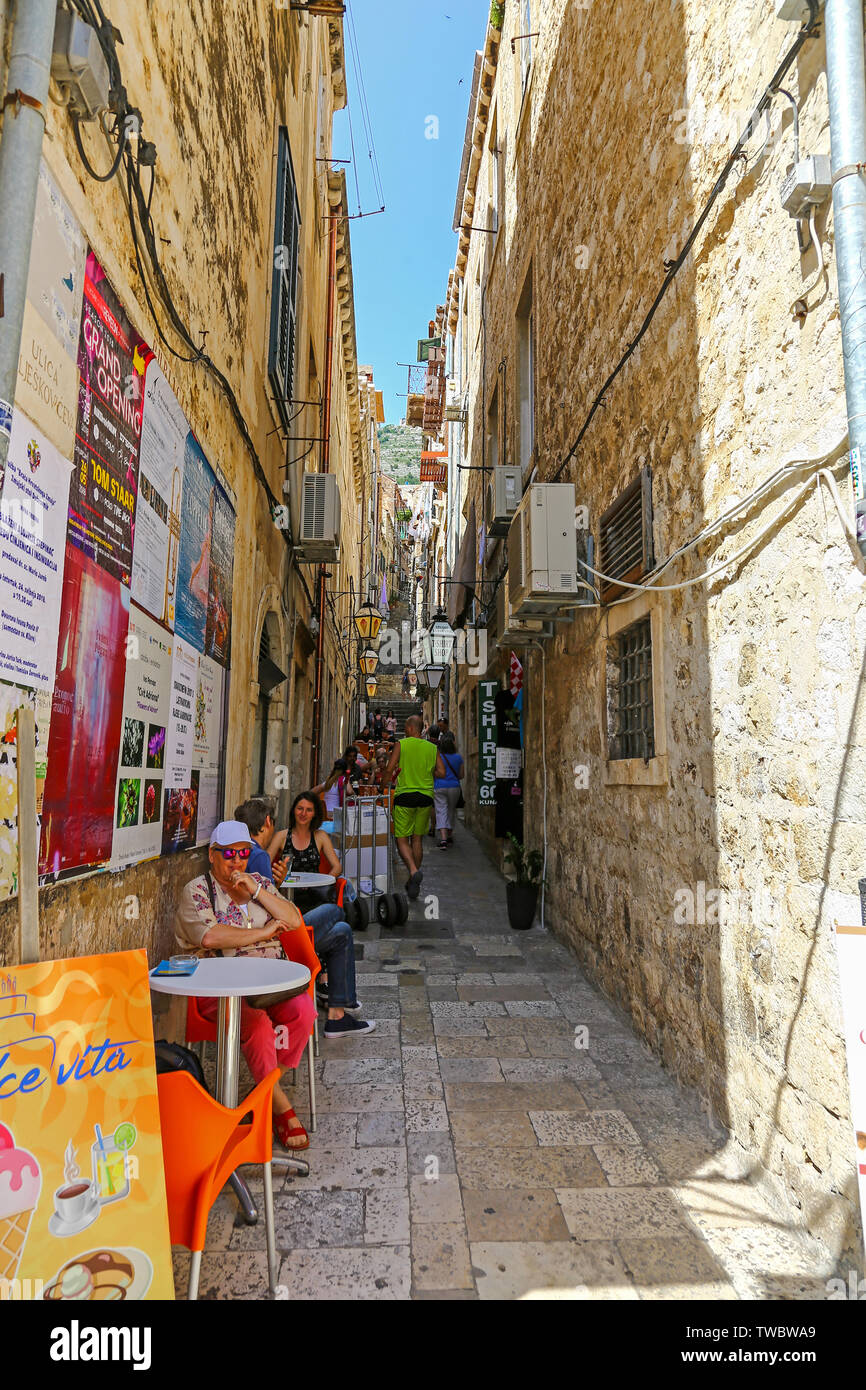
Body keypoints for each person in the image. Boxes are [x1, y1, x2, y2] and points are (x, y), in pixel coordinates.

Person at [174, 821, 317, 1151]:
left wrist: (256, 892)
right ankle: (279, 1107)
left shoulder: (261, 883)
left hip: (269, 985)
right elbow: (210, 936)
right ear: (212, 855)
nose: (236, 861)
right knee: (257, 1026)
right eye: (228, 854)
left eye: (243, 853)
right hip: (219, 990)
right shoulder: (198, 890)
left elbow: (294, 920)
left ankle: (260, 1094)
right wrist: (263, 933)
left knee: (303, 1012)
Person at [281, 791, 375, 1039]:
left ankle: (338, 1014)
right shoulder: (282, 838)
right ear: (293, 811)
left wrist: (328, 878)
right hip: (290, 912)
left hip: (314, 905)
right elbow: (265, 870)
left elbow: (337, 865)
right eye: (299, 809)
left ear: (315, 813)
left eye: (308, 810)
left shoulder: (319, 837)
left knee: (342, 928)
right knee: (338, 911)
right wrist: (278, 876)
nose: (303, 814)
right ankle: (334, 996)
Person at [385, 715, 445, 900]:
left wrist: (383, 785)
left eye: (406, 727)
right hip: (425, 797)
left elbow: (389, 769)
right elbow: (441, 772)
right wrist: (428, 771)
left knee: (401, 839)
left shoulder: (401, 745)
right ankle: (413, 881)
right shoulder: (432, 747)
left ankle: (412, 870)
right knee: (417, 839)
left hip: (405, 796)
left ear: (411, 728)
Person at [434, 733, 464, 849]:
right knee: (451, 811)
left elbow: (434, 772)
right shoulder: (458, 758)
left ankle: (443, 839)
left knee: (441, 811)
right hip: (454, 787)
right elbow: (461, 775)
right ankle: (450, 835)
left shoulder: (438, 757)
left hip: (439, 786)